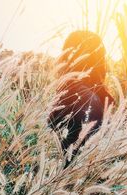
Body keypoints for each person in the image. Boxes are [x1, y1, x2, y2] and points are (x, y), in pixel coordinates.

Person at [48, 30, 114, 159]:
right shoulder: (82, 94)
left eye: (65, 52)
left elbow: (86, 151)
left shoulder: (83, 97)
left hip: (68, 175)